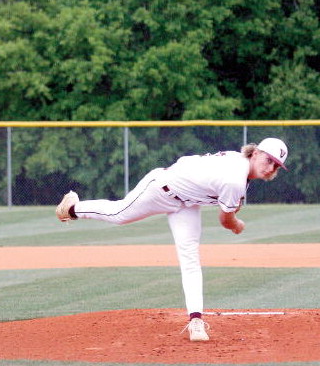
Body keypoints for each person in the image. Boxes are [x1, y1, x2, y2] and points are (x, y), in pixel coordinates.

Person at [55, 138, 289, 341]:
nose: (270, 168)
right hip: (161, 189)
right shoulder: (235, 180)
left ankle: (196, 321)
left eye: (276, 166)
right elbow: (225, 220)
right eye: (268, 160)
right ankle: (73, 208)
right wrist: (237, 225)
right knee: (120, 214)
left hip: (186, 203)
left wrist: (231, 206)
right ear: (255, 153)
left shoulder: (238, 164)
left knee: (190, 259)